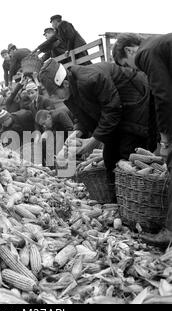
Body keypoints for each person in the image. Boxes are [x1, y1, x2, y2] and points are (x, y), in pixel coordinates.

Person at [39, 59, 154, 198]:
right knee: (109, 158)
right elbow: (81, 116)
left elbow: (112, 110)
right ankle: (118, 204)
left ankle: (138, 201)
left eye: (55, 93)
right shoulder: (69, 94)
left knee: (127, 156)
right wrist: (77, 132)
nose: (55, 98)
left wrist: (93, 141)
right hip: (117, 120)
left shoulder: (90, 79)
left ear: (65, 83)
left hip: (134, 112)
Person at [112, 33, 172, 246]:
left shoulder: (146, 53)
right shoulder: (158, 45)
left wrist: (165, 141)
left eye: (127, 65)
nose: (134, 70)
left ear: (130, 50)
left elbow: (164, 96)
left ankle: (170, 231)